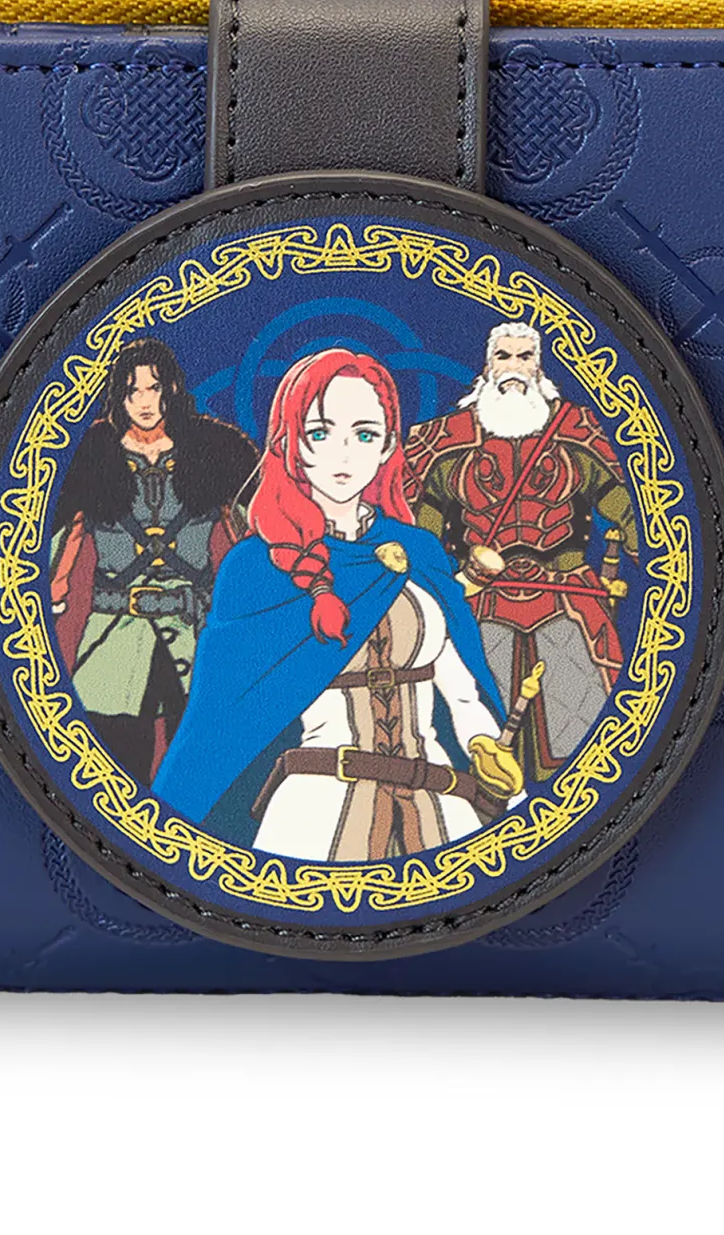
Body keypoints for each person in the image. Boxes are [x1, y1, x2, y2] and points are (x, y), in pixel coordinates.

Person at [152, 348, 522, 861]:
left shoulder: (419, 553)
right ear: (290, 442)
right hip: (316, 808)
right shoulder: (255, 568)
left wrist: (483, 744)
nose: (343, 456)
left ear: (389, 445)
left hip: (438, 798)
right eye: (320, 433)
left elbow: (460, 691)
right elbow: (221, 718)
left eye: (365, 435)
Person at [404, 321, 637, 785]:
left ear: (539, 365)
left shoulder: (575, 431)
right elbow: (421, 532)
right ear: (488, 365)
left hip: (567, 599)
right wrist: (427, 589)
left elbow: (623, 504)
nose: (514, 367)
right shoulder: (446, 441)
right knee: (476, 733)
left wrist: (655, 555)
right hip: (480, 604)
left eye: (524, 357)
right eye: (504, 356)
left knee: (582, 734)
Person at [48, 338, 257, 785]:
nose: (144, 402)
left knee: (199, 772)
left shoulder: (214, 450)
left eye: (153, 388)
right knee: (114, 769)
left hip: (196, 639)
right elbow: (66, 533)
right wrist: (53, 585)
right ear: (119, 397)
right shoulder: (92, 455)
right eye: (133, 391)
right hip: (115, 640)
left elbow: (251, 536)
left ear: (171, 390)